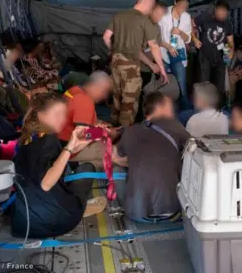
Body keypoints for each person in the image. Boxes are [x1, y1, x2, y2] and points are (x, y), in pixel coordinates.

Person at [12, 93, 105, 238]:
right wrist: (69, 148)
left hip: (26, 223)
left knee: (66, 167)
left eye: (63, 114)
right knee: (86, 168)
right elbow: (46, 184)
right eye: (57, 114)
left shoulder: (29, 136)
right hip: (56, 220)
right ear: (41, 115)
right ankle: (80, 205)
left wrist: (94, 134)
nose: (62, 119)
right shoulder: (48, 140)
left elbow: (66, 151)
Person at [111, 92, 190, 222]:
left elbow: (114, 156)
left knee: (117, 169)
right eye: (170, 106)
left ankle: (125, 206)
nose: (173, 111)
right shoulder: (174, 125)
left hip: (137, 214)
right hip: (173, 212)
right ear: (159, 107)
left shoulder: (130, 131)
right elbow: (195, 150)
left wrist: (132, 162)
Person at [104, 0, 168, 127]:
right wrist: (162, 69)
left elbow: (106, 37)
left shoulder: (119, 16)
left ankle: (113, 130)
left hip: (115, 64)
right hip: (131, 66)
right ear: (147, 4)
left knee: (116, 98)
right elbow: (154, 46)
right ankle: (124, 134)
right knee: (129, 103)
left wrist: (114, 51)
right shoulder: (144, 20)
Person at [57, 71, 114, 170]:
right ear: (96, 87)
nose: (105, 96)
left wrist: (97, 124)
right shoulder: (85, 101)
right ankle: (78, 168)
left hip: (58, 140)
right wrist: (103, 133)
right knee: (113, 154)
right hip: (67, 148)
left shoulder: (75, 90)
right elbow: (82, 135)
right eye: (105, 92)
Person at [192, 0, 234, 103]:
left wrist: (231, 50)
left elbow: (230, 40)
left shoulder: (227, 24)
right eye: (221, 12)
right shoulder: (205, 17)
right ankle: (202, 106)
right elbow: (191, 25)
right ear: (216, 10)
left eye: (225, 13)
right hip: (205, 55)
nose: (223, 15)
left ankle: (218, 107)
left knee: (219, 85)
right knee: (203, 83)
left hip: (220, 57)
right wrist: (194, 39)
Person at [157, 0, 193, 110]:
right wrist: (168, 47)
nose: (183, 8)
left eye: (186, 6)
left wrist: (180, 32)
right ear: (175, 2)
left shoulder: (186, 17)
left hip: (178, 54)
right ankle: (163, 110)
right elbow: (156, 38)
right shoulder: (164, 14)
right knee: (163, 83)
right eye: (181, 5)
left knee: (181, 84)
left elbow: (187, 39)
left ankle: (185, 113)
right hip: (164, 52)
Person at [137, 0, 167, 121]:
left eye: (162, 15)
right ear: (151, 10)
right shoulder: (139, 25)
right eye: (158, 14)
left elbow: (156, 48)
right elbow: (136, 50)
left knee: (144, 96)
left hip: (148, 70)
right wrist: (151, 64)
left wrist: (160, 66)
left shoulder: (157, 28)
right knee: (134, 99)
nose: (160, 18)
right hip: (135, 68)